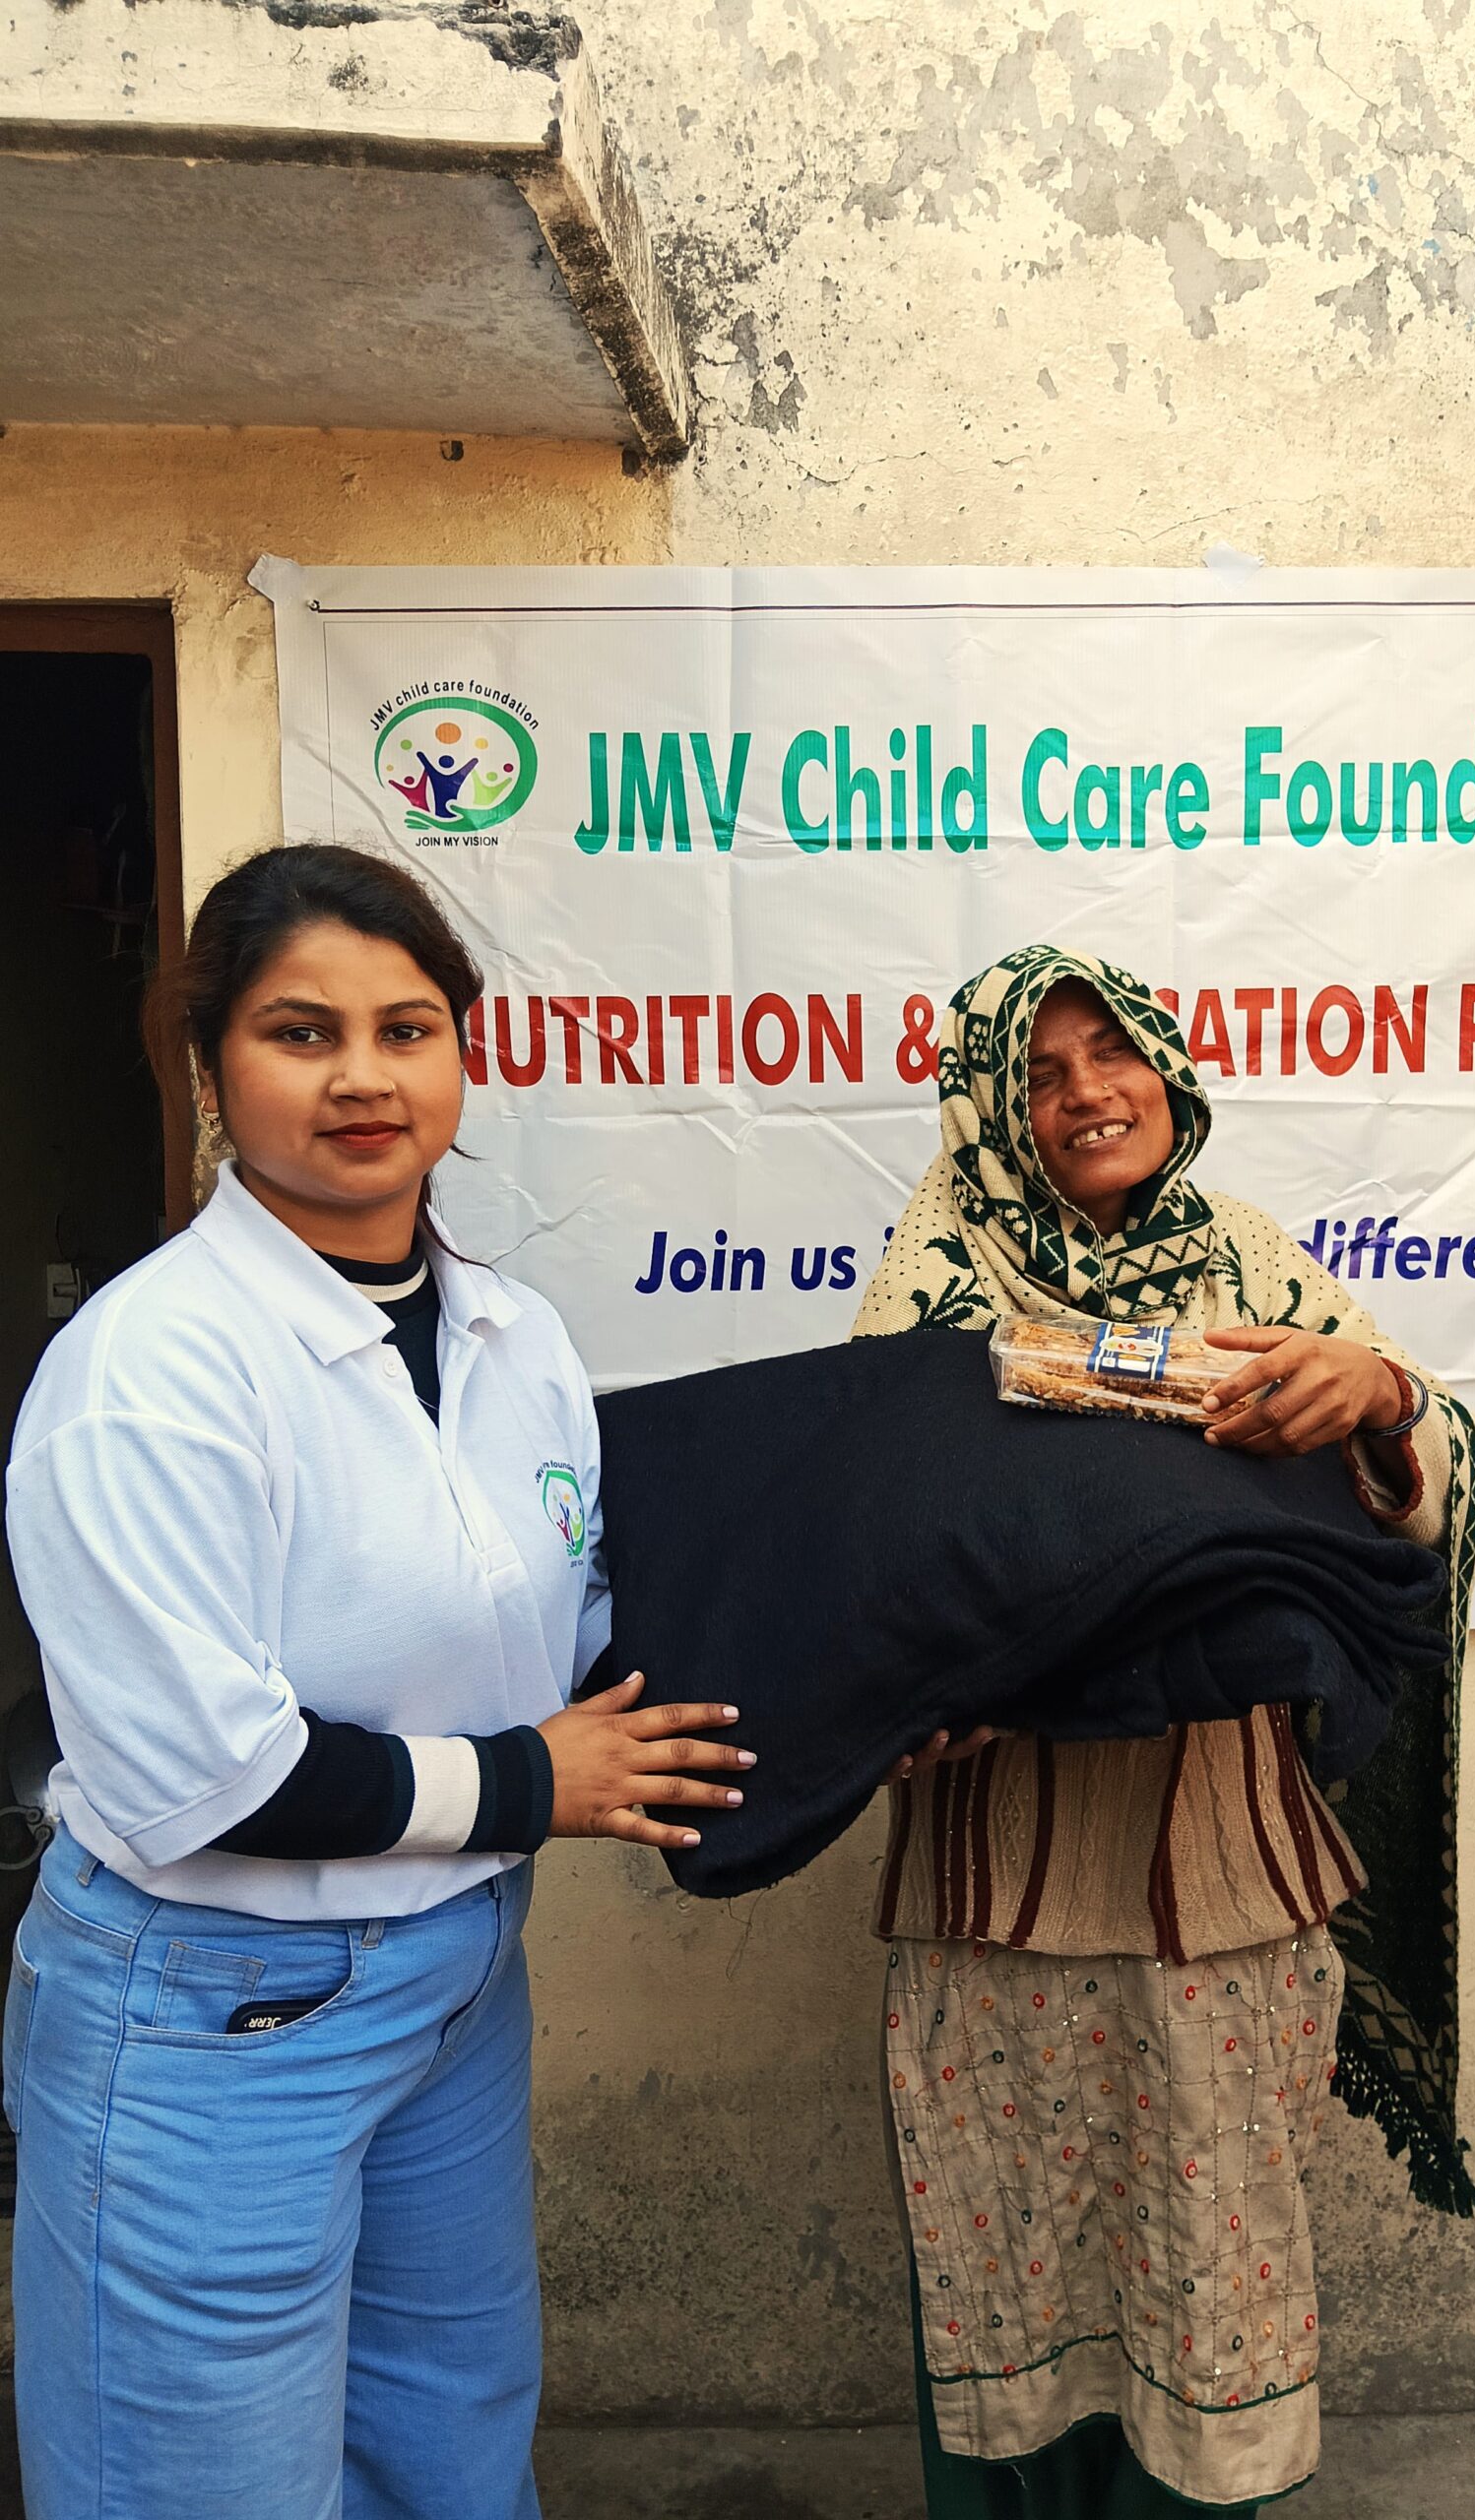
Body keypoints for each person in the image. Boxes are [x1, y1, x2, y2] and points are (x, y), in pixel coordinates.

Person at [1, 844, 752, 2520]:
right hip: (215, 2004)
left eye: (407, 1028)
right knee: (201, 2488)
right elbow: (214, 1775)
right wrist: (533, 1783)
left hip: (458, 1979)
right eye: (299, 1031)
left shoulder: (515, 1340)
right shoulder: (149, 1372)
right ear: (209, 1069)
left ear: (462, 1059)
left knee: (447, 2451)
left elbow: (578, 1637)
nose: (362, 1076)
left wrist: (877, 1668)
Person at [854, 945, 1475, 2518]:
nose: (1088, 1093)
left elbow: (1445, 1477)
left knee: (1213, 2288)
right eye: (1042, 1073)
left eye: (1113, 1053)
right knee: (1007, 2282)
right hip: (997, 1898)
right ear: (994, 1115)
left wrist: (1384, 1395)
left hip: (1229, 1889)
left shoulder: (1256, 1267)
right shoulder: (934, 1286)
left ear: (1166, 1064)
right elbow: (864, 1558)